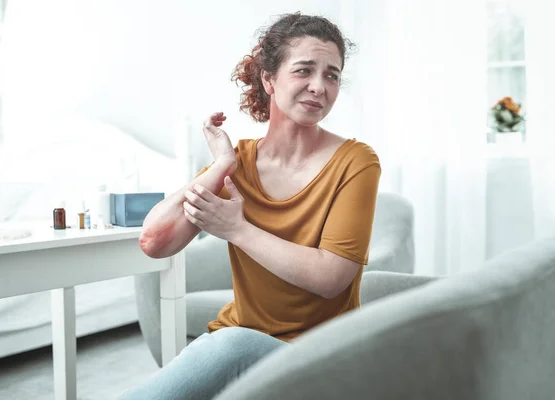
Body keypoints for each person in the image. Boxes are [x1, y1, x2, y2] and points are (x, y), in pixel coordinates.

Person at [121, 11, 381, 400]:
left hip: (317, 356)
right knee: (225, 347)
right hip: (232, 343)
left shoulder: (356, 161)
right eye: (304, 70)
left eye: (331, 75)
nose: (318, 86)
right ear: (268, 79)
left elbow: (331, 278)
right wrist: (221, 166)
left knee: (230, 346)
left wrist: (237, 229)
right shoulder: (237, 164)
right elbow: (155, 242)